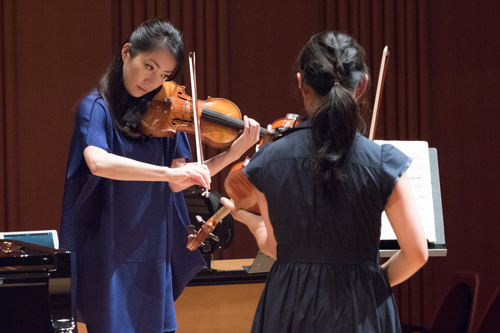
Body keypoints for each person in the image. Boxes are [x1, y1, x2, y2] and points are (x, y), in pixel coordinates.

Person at [59, 18, 260, 333]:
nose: (153, 80)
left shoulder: (166, 117)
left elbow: (185, 177)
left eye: (164, 74)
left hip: (153, 248)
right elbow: (98, 162)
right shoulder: (95, 107)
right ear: (127, 53)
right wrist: (167, 174)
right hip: (109, 249)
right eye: (149, 66)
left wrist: (234, 154)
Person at [221, 31, 428, 332]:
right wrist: (372, 280)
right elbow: (417, 253)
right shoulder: (383, 164)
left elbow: (276, 246)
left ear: (301, 83)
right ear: (362, 86)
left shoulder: (268, 161)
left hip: (289, 306)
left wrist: (252, 223)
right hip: (360, 306)